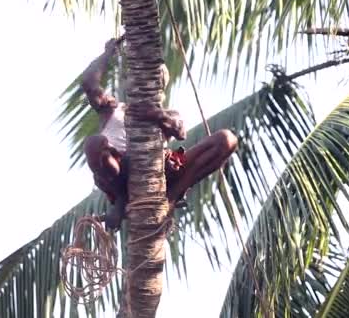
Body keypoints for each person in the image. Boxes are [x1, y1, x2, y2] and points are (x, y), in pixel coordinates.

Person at [81, 38, 238, 230]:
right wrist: (108, 53)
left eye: (156, 80)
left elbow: (180, 132)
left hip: (158, 172)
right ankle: (122, 196)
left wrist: (156, 115)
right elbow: (89, 83)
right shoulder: (112, 108)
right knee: (94, 144)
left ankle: (172, 198)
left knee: (226, 140)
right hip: (118, 174)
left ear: (161, 87)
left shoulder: (168, 115)